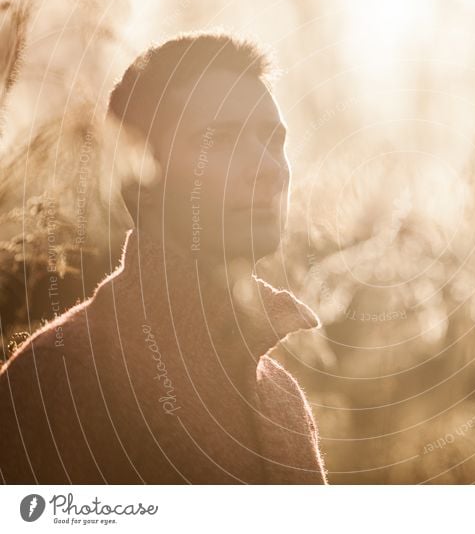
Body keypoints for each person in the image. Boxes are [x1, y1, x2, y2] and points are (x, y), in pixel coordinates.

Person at [0, 32, 328, 484]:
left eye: (272, 140)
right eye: (221, 141)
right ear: (137, 180)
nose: (269, 168)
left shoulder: (283, 400)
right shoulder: (62, 374)